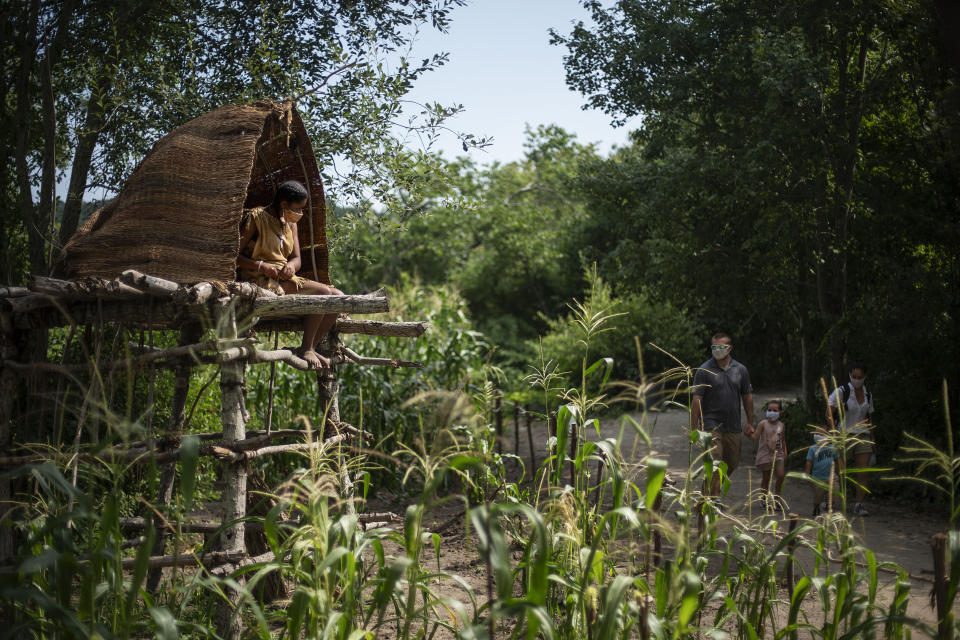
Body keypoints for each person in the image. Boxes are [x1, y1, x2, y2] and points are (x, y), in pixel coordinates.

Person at [237, 180, 343, 370]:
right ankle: (306, 348)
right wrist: (261, 266)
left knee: (338, 298)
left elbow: (296, 258)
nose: (300, 213)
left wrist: (291, 267)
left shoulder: (290, 224)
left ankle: (310, 346)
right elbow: (233, 256)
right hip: (258, 280)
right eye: (298, 208)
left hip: (283, 278)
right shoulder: (257, 218)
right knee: (323, 293)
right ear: (284, 204)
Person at [691, 332, 755, 497]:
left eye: (721, 347)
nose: (717, 350)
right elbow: (696, 399)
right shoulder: (704, 371)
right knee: (714, 462)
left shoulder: (740, 370)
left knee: (731, 463)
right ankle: (713, 500)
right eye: (714, 347)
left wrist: (750, 422)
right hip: (711, 425)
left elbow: (747, 396)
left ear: (729, 348)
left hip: (733, 426)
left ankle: (706, 496)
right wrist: (694, 429)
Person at [826, 361, 875, 516]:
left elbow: (868, 417)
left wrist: (873, 439)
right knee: (841, 471)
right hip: (844, 434)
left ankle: (859, 504)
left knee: (863, 472)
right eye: (854, 376)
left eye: (859, 377)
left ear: (865, 377)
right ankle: (831, 499)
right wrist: (834, 431)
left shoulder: (868, 394)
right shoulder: (842, 391)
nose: (856, 379)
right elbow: (829, 412)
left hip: (863, 434)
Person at [749, 399, 787, 498]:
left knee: (781, 475)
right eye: (769, 410)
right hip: (765, 455)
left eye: (775, 411)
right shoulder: (763, 424)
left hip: (778, 455)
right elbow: (755, 437)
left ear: (780, 413)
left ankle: (777, 497)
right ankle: (763, 498)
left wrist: (785, 453)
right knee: (766, 478)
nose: (771, 413)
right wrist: (749, 433)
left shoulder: (782, 425)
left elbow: (783, 440)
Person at [805, 431, 841, 516]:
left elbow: (838, 460)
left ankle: (830, 508)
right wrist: (807, 475)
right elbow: (809, 462)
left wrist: (841, 472)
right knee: (818, 496)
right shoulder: (812, 448)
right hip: (818, 478)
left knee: (834, 493)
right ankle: (816, 507)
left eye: (820, 433)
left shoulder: (833, 447)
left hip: (832, 477)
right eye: (816, 433)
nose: (817, 435)